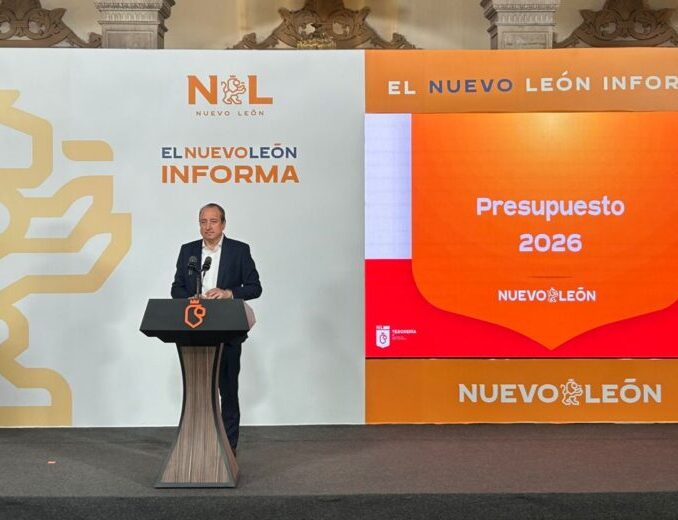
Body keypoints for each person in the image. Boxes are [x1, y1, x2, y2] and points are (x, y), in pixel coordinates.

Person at [171, 203, 262, 454]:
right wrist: (189, 297)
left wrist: (228, 292)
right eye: (203, 221)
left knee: (228, 390)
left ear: (223, 224)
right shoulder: (188, 251)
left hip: (227, 330)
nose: (207, 227)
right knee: (198, 391)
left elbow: (255, 287)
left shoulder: (239, 250)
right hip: (194, 329)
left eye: (213, 221)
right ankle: (198, 446)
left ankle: (228, 448)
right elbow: (176, 287)